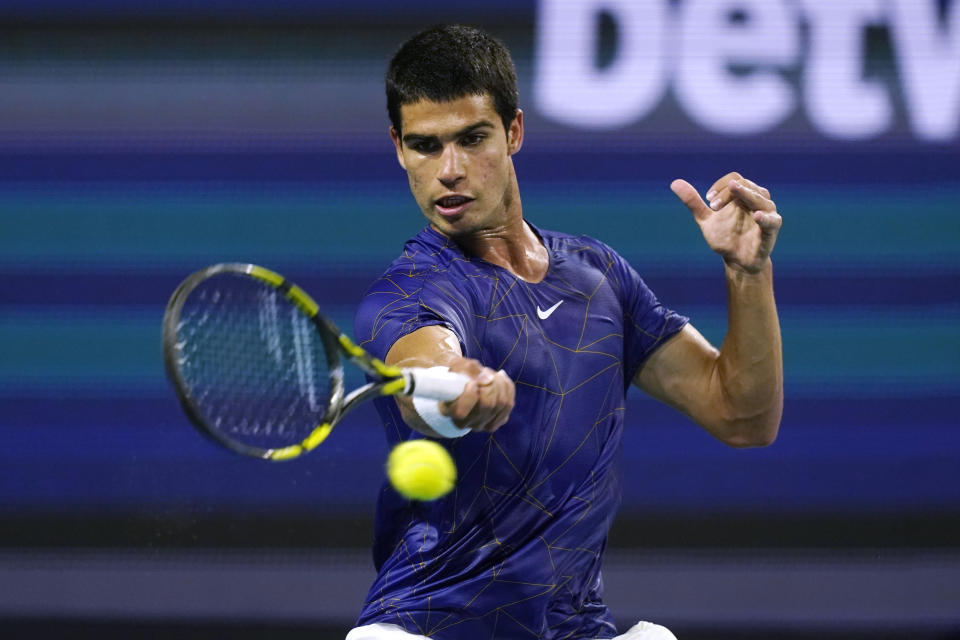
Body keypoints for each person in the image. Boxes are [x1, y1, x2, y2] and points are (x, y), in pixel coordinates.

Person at [347, 24, 783, 640]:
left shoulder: (598, 275)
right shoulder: (410, 291)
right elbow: (427, 363)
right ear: (398, 147)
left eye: (473, 139)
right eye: (425, 145)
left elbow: (743, 417)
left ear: (514, 131)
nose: (449, 169)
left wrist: (749, 273)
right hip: (427, 626)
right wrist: (457, 383)